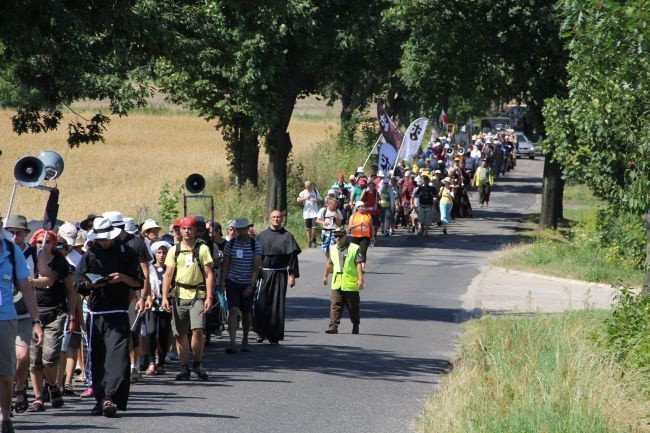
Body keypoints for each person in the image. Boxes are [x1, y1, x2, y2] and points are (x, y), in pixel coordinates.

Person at [74, 217, 143, 417]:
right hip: (96, 313)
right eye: (100, 238)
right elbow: (79, 282)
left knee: (118, 358)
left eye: (106, 238)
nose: (103, 242)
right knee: (98, 358)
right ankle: (100, 398)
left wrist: (121, 278)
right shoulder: (90, 253)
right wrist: (91, 285)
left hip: (118, 312)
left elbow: (138, 282)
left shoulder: (126, 252)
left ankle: (111, 398)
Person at [26, 229, 76, 412]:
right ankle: (38, 398)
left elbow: (69, 290)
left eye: (47, 242)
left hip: (56, 313)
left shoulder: (60, 262)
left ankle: (53, 385)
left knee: (49, 357)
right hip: (33, 314)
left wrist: (72, 315)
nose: (43, 246)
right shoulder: (29, 260)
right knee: (34, 359)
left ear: (53, 243)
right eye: (39, 242)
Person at [0, 220, 43, 433]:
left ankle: (5, 417)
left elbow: (26, 288)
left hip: (5, 318)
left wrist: (36, 321)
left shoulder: (10, 250)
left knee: (5, 374)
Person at [161, 216, 214, 381]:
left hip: (198, 295)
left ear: (194, 230)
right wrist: (164, 297)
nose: (186, 231)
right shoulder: (174, 250)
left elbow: (209, 273)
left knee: (198, 330)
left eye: (189, 228)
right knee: (180, 334)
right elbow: (168, 275)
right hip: (178, 296)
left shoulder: (202, 248)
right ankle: (184, 368)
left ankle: (197, 363)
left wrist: (209, 296)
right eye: (183, 228)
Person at [253, 210, 301, 345]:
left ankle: (274, 335)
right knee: (261, 302)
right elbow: (256, 257)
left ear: (282, 219)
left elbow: (292, 258)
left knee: (277, 304)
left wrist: (292, 274)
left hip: (280, 274)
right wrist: (254, 274)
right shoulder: (261, 236)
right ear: (269, 219)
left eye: (278, 217)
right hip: (264, 273)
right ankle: (260, 332)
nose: (276, 219)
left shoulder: (287, 236)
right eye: (273, 217)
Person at [220, 218, 261, 354]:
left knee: (247, 312)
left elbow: (256, 268)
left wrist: (251, 285)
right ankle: (232, 342)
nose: (241, 231)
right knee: (232, 310)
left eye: (243, 229)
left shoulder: (255, 245)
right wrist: (222, 283)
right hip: (232, 281)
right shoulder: (230, 244)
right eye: (239, 229)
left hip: (247, 282)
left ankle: (245, 339)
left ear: (248, 229)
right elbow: (225, 264)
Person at [322, 227, 364, 334]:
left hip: (350, 283)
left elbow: (358, 264)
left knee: (353, 307)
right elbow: (329, 263)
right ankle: (333, 326)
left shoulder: (354, 248)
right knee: (335, 305)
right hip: (337, 283)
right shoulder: (333, 248)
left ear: (345, 236)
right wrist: (325, 276)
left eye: (340, 236)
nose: (337, 238)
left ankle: (355, 324)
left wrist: (360, 279)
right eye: (336, 236)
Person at [144, 241, 172, 375]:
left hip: (166, 304)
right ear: (154, 254)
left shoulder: (170, 269)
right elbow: (145, 284)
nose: (161, 255)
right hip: (152, 304)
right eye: (159, 252)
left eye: (164, 252)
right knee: (151, 332)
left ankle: (161, 363)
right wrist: (148, 296)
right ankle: (151, 362)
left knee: (164, 334)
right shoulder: (150, 268)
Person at [296, 180, 322, 248]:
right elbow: (298, 200)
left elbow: (320, 200)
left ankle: (314, 240)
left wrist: (316, 200)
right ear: (305, 187)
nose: (309, 188)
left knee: (314, 227)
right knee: (308, 229)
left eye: (310, 187)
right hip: (306, 213)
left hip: (315, 213)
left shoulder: (315, 191)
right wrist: (305, 198)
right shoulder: (303, 192)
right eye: (307, 187)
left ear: (312, 186)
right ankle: (309, 241)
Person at [348, 201, 372, 267]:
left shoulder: (368, 215)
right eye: (362, 207)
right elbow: (350, 227)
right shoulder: (353, 216)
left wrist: (372, 236)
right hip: (355, 236)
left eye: (364, 207)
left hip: (365, 237)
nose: (363, 208)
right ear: (357, 208)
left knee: (363, 251)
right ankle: (355, 266)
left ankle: (362, 267)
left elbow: (371, 227)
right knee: (355, 252)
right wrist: (358, 224)